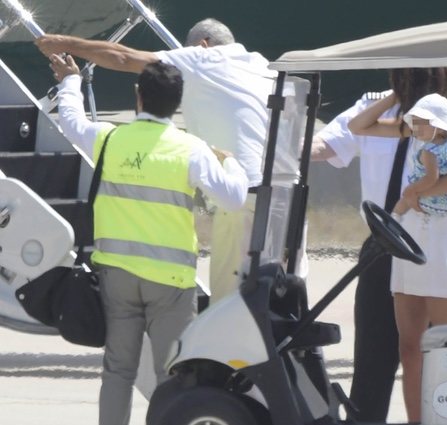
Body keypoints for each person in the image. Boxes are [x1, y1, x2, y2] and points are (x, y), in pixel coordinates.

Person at [48, 55, 248, 425]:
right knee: (173, 376)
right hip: (171, 284)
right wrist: (231, 161)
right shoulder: (191, 150)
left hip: (118, 277)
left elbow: (72, 123)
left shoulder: (109, 139)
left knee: (118, 371)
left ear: (138, 95)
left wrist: (71, 81)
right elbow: (234, 198)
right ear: (178, 103)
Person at [312, 67, 447, 422]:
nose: (411, 79)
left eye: (418, 73)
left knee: (445, 348)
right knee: (384, 350)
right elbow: (337, 138)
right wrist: (394, 98)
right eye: (403, 73)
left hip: (437, 242)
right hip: (384, 243)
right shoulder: (395, 115)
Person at [36, 18, 283, 304]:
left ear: (202, 45)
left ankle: (229, 349)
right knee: (279, 291)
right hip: (285, 192)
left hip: (244, 196)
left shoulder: (204, 58)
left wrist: (67, 46)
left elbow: (124, 57)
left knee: (230, 304)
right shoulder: (262, 66)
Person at [348, 92, 447, 242]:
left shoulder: (433, 143)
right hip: (443, 206)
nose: (415, 127)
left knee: (404, 201)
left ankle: (393, 221)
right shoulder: (442, 132)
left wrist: (412, 192)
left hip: (435, 211)